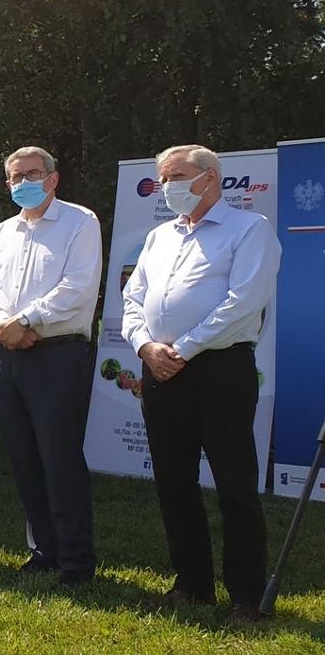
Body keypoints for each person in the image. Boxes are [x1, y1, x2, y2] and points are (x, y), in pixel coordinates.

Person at [121, 144, 280, 624]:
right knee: (173, 483)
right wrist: (146, 348)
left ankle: (246, 597)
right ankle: (192, 585)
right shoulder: (158, 237)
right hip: (160, 369)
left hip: (219, 371)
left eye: (177, 175)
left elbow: (243, 303)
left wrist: (183, 350)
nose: (168, 185)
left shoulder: (250, 230)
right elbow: (133, 298)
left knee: (235, 485)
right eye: (163, 177)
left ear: (210, 178)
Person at [0, 147, 103, 586]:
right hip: (7, 355)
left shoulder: (80, 222)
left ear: (53, 179)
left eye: (32, 173)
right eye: (14, 176)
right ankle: (43, 549)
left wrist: (25, 320)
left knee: (59, 458)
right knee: (24, 457)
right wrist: (1, 324)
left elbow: (78, 287)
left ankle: (76, 561)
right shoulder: (4, 231)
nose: (23, 181)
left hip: (56, 353)